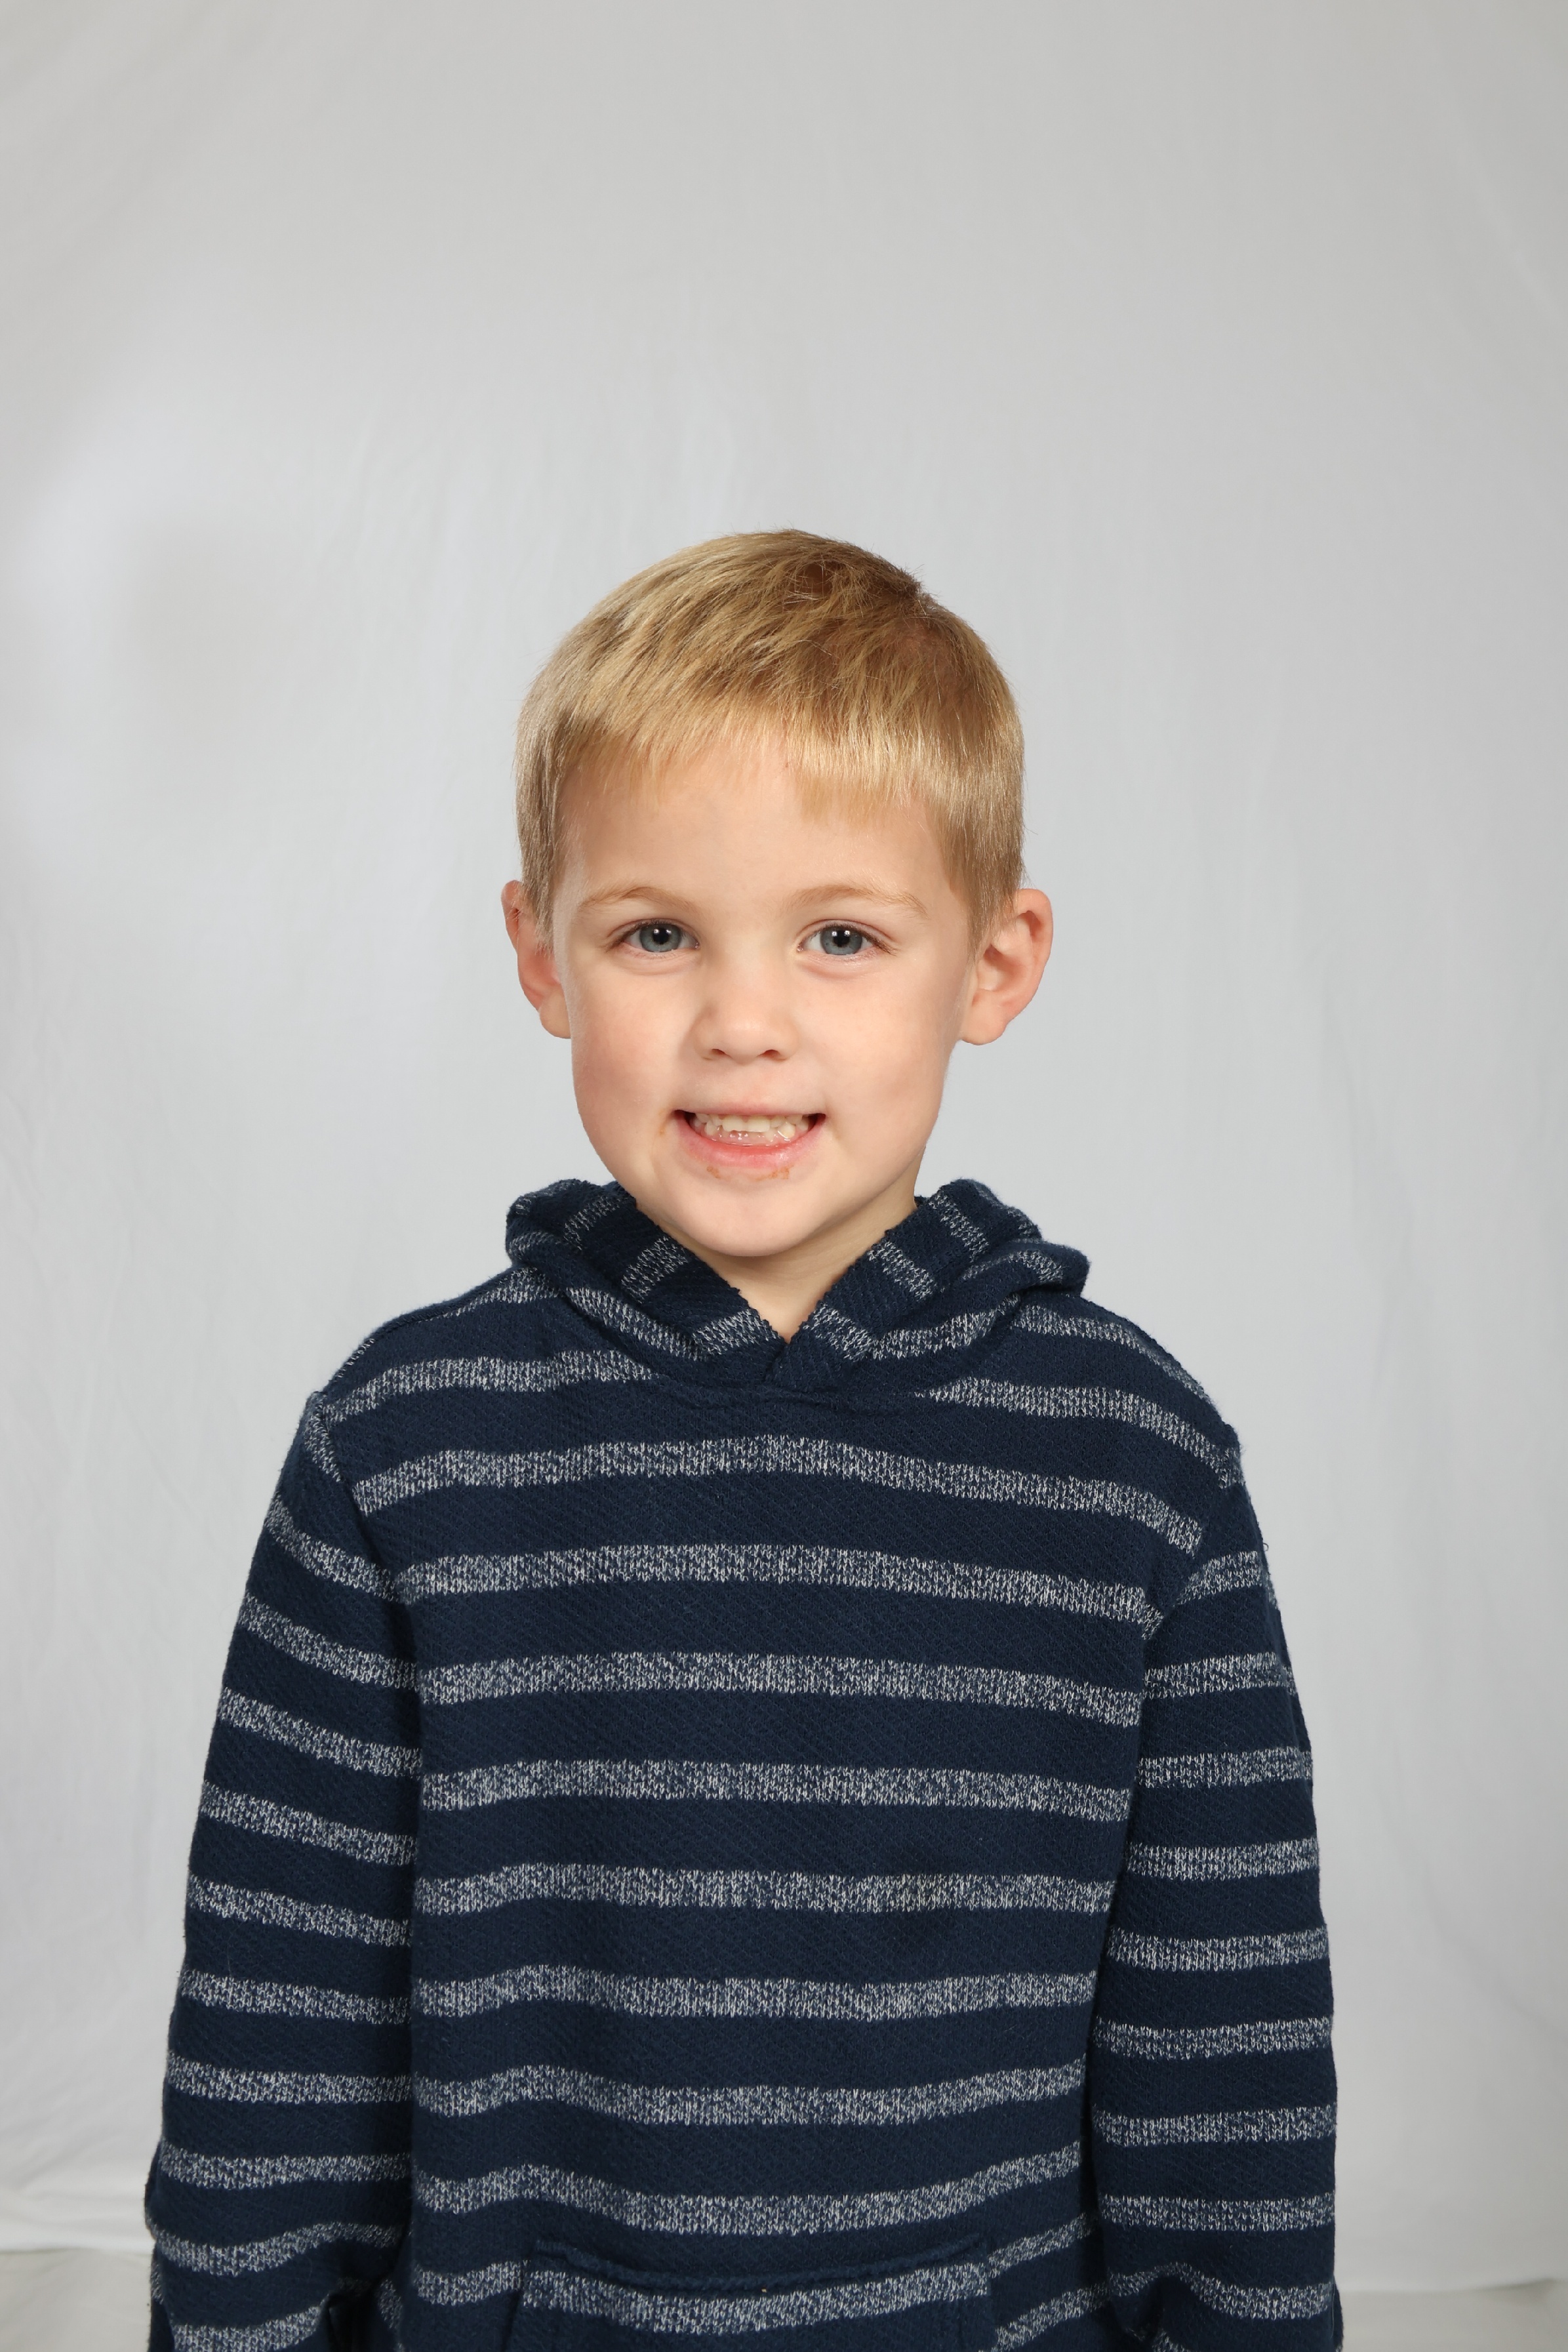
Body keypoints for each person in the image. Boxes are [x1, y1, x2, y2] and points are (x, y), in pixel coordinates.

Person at [146, 531, 1339, 2352]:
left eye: (840, 936)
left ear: (995, 960)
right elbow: (277, 2051)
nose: (743, 1025)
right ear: (542, 953)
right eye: (657, 934)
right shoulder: (403, 1454)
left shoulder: (1136, 1467)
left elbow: (1227, 2083)